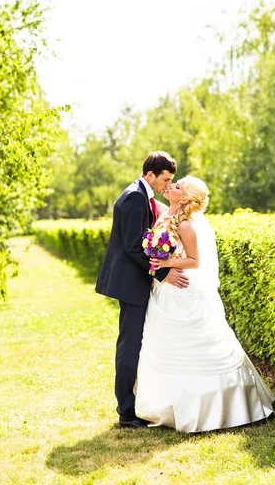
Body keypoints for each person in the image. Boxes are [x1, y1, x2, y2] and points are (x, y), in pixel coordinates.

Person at [135, 176, 275, 433]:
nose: (171, 186)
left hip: (183, 291)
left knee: (193, 347)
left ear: (185, 198)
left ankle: (209, 408)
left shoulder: (186, 224)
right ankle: (165, 405)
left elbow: (194, 261)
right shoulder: (164, 215)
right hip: (163, 292)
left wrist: (166, 264)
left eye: (177, 186)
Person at [95, 151, 190, 428]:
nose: (166, 185)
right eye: (165, 179)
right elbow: (134, 245)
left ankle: (132, 402)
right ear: (150, 175)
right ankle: (126, 410)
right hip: (130, 282)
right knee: (129, 344)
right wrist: (164, 271)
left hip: (134, 279)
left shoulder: (141, 194)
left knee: (134, 342)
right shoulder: (135, 197)